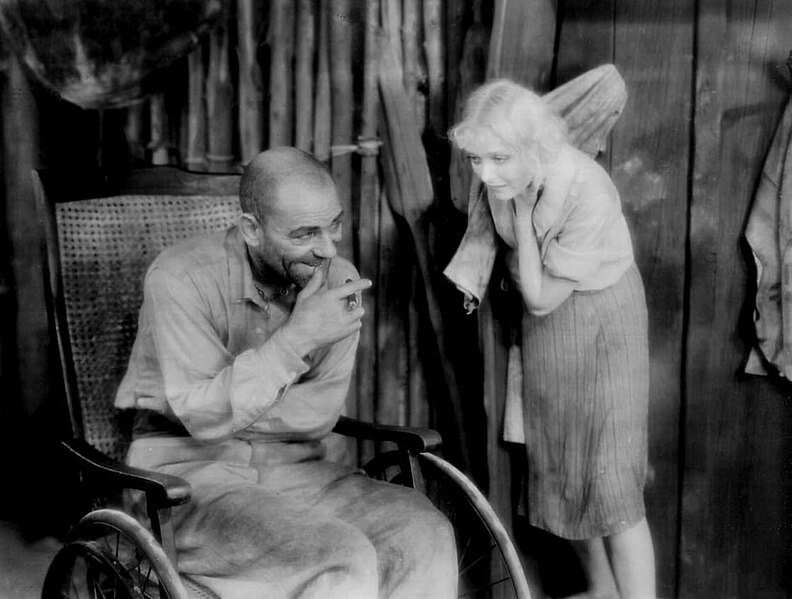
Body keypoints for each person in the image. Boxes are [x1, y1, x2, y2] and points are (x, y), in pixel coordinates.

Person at [114, 146, 457, 598]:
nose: (328, 249)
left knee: (423, 533)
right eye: (305, 233)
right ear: (252, 230)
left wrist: (233, 407)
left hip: (300, 470)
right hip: (187, 477)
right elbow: (201, 420)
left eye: (333, 224)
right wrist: (296, 340)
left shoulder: (339, 282)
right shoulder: (180, 279)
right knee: (339, 554)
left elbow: (320, 413)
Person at [449, 80, 655, 599]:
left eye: (498, 158)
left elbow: (540, 296)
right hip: (549, 327)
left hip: (603, 319)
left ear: (536, 148)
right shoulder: (501, 178)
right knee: (562, 466)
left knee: (612, 480)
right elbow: (533, 293)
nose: (485, 173)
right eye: (476, 159)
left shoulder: (585, 186)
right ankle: (604, 592)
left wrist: (518, 211)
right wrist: (507, 194)